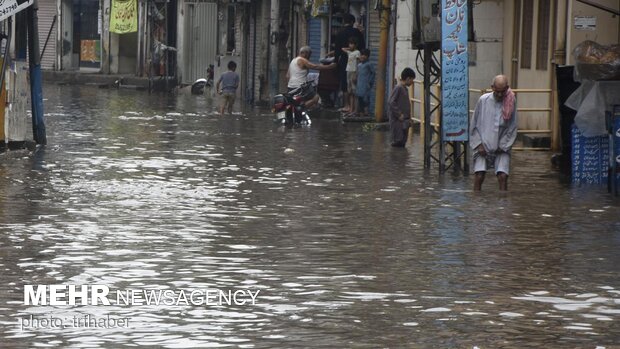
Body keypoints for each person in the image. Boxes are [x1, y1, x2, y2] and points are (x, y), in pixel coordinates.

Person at [469, 75, 518, 191]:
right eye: (497, 91)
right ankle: (477, 201)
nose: (500, 95)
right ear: (492, 88)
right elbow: (474, 124)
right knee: (479, 175)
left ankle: (503, 203)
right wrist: (478, 144)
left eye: (503, 92)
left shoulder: (511, 101)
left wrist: (504, 145)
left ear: (507, 88)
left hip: (502, 144)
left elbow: (513, 126)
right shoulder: (483, 100)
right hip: (483, 144)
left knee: (502, 176)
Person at [334, 14, 365, 109]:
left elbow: (337, 50)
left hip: (344, 61)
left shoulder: (340, 32)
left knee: (345, 83)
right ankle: (355, 107)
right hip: (356, 62)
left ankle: (346, 105)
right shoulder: (357, 32)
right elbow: (363, 46)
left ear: (344, 22)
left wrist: (336, 61)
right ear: (352, 22)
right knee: (355, 84)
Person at [388, 68, 416, 147]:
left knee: (403, 141)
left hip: (404, 121)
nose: (412, 82)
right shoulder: (399, 88)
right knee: (398, 141)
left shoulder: (404, 89)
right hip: (398, 120)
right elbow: (391, 102)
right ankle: (396, 158)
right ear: (408, 78)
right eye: (412, 80)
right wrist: (399, 114)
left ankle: (401, 158)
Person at [341, 37, 360, 114]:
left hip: (353, 72)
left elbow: (358, 64)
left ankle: (355, 110)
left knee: (354, 92)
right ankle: (351, 109)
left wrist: (356, 74)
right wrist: (349, 48)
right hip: (348, 71)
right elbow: (343, 49)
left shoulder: (357, 52)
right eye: (350, 43)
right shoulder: (350, 52)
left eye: (352, 44)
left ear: (355, 45)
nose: (350, 45)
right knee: (350, 92)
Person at [354, 48, 374, 117]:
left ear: (368, 56)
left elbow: (373, 73)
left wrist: (370, 82)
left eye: (365, 55)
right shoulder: (359, 65)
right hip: (359, 84)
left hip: (366, 84)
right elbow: (357, 74)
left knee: (366, 99)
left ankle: (366, 112)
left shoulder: (369, 64)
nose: (362, 56)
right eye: (361, 55)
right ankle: (361, 112)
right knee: (360, 98)